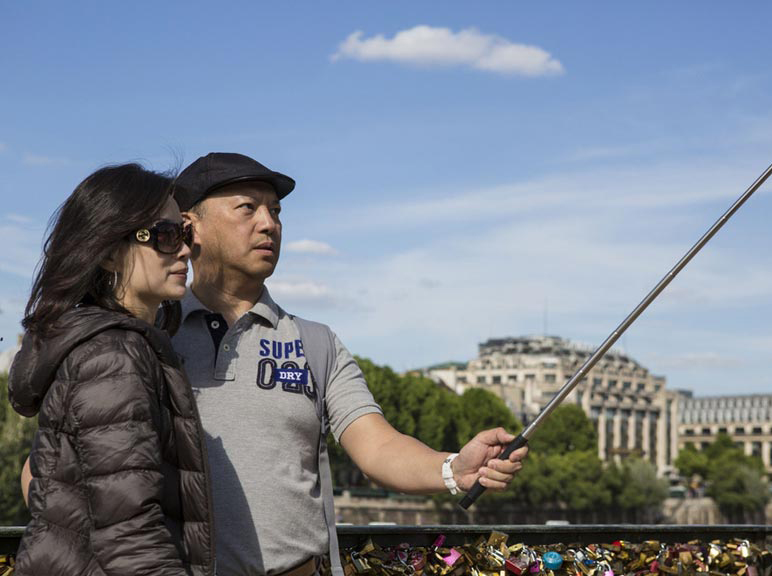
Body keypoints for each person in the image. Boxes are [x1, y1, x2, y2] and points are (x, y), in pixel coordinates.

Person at [171, 153, 529, 576]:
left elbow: (378, 447)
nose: (269, 224)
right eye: (247, 208)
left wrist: (453, 469)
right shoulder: (147, 336)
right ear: (189, 227)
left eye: (276, 211)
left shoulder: (317, 343)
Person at [8, 164, 214, 576]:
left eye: (185, 234)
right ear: (107, 252)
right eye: (166, 235)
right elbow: (130, 535)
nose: (185, 251)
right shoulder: (113, 354)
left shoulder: (108, 345)